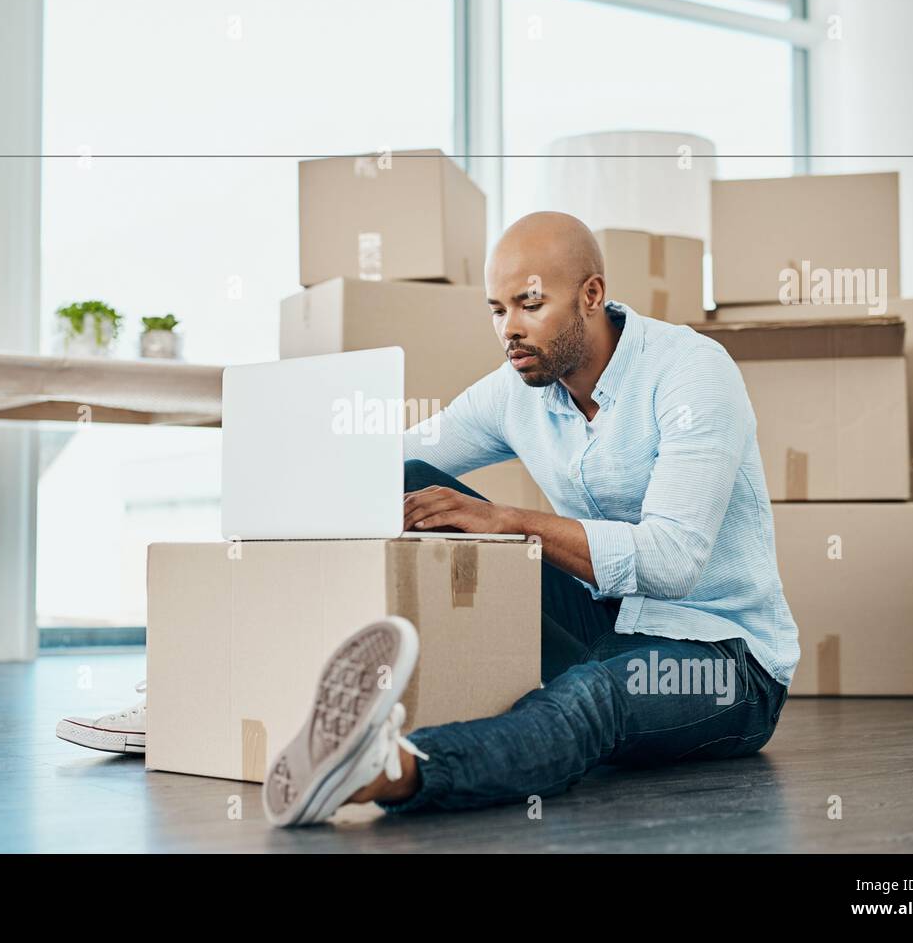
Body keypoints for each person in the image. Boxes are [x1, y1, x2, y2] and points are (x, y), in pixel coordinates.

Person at [261, 211, 799, 827]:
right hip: (607, 621)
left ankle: (391, 767)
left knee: (591, 697)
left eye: (529, 304)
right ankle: (327, 691)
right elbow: (403, 454)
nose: (509, 329)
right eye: (497, 310)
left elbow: (671, 562)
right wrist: (287, 462)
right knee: (410, 484)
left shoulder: (692, 373)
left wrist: (507, 521)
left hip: (723, 660)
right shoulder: (519, 387)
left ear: (592, 295)